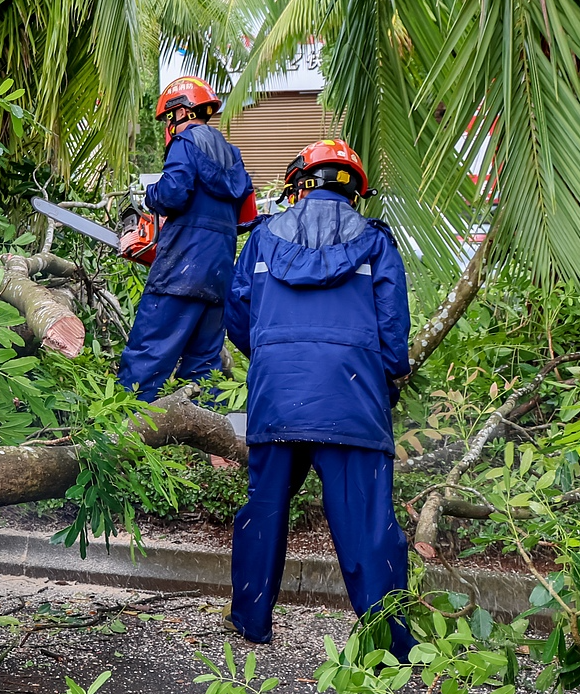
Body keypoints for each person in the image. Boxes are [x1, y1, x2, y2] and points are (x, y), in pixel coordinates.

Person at [225, 139, 413, 659]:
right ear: (354, 192)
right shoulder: (376, 243)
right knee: (369, 526)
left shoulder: (261, 241)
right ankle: (391, 646)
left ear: (296, 187)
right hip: (352, 400)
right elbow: (393, 334)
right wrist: (390, 378)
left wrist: (272, 354)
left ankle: (250, 623)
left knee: (264, 510)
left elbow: (238, 318)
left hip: (276, 397)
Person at [119, 76, 256, 400]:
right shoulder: (232, 155)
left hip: (181, 269)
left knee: (148, 354)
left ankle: (120, 433)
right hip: (219, 273)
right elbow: (246, 215)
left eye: (169, 118)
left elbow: (173, 194)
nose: (170, 125)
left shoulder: (186, 143)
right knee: (203, 365)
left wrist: (151, 194)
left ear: (180, 111)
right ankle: (201, 443)